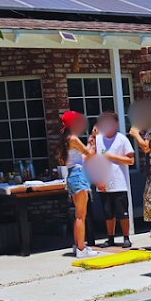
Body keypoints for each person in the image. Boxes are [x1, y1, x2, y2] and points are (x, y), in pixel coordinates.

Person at [58, 110, 99, 258]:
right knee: (81, 215)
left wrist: (91, 141)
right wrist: (94, 139)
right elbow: (88, 154)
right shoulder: (73, 138)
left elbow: (82, 155)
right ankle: (81, 249)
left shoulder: (66, 138)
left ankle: (79, 246)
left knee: (78, 215)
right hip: (79, 175)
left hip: (72, 175)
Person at [91, 110, 135, 248]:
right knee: (108, 213)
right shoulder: (98, 139)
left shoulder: (122, 139)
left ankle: (126, 237)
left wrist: (113, 157)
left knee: (122, 212)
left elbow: (131, 160)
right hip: (103, 182)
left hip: (119, 182)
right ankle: (110, 237)